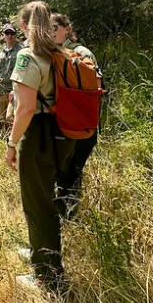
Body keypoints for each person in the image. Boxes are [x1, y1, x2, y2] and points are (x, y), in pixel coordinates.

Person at [5, 1, 74, 293]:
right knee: (46, 200)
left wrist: (11, 143)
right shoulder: (61, 53)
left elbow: (25, 109)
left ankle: (48, 277)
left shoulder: (27, 57)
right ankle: (41, 253)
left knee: (36, 203)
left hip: (38, 136)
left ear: (24, 27)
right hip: (63, 134)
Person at [50, 12, 98, 219]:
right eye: (47, 29)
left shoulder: (81, 53)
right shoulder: (52, 54)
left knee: (71, 174)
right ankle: (64, 218)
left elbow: (94, 92)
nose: (50, 33)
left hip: (78, 128)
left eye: (54, 28)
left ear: (67, 28)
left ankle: (68, 219)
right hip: (62, 125)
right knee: (62, 175)